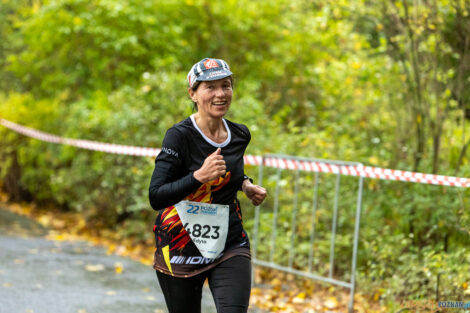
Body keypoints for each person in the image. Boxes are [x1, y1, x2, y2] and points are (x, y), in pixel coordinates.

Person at [149, 57, 267, 313]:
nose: (220, 94)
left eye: (226, 85)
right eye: (210, 87)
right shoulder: (179, 136)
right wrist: (197, 177)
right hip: (180, 242)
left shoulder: (240, 134)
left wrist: (245, 184)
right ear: (193, 93)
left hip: (229, 240)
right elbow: (156, 195)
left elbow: (231, 173)